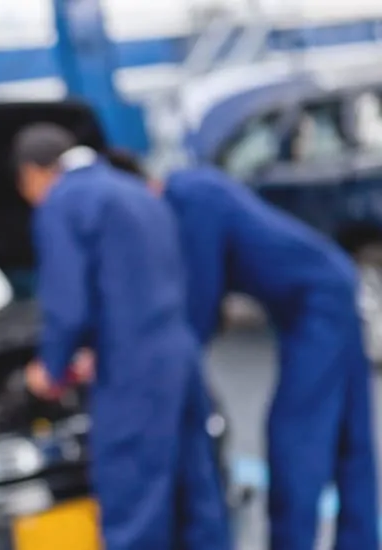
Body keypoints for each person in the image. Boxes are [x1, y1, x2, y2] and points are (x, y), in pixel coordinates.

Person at [105, 152, 378, 550]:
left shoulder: (188, 199)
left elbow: (199, 298)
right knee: (350, 436)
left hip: (316, 305)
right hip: (330, 286)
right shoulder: (191, 187)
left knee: (296, 433)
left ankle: (292, 542)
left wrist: (162, 363)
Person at [12, 123, 230, 550]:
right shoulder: (134, 190)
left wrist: (50, 368)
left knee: (134, 509)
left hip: (132, 367)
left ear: (33, 174)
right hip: (178, 357)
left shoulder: (61, 202)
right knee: (198, 499)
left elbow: (67, 305)